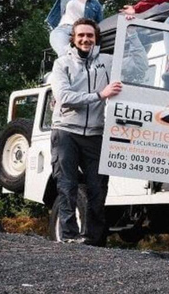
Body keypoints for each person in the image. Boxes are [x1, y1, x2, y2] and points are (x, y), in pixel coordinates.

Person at [50, 17, 122, 244]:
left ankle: (93, 240)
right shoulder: (62, 64)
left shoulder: (108, 61)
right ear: (73, 38)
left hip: (95, 133)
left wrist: (133, 29)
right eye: (80, 35)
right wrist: (100, 95)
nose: (85, 39)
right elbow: (64, 98)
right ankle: (69, 236)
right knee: (67, 186)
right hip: (65, 131)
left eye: (89, 35)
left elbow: (139, 65)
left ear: (96, 38)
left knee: (98, 188)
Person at [0, 0, 104, 56]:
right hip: (63, 30)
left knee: (83, 60)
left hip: (82, 35)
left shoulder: (96, 5)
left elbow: (100, 27)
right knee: (65, 56)